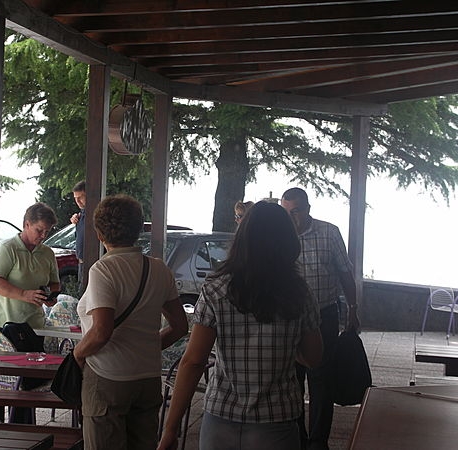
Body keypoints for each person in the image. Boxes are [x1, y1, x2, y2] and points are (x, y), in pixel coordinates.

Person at [158, 201, 323, 450]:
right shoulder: (300, 294)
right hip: (276, 421)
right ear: (288, 242)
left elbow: (193, 361)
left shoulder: (216, 288)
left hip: (221, 418)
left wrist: (171, 429)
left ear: (242, 239)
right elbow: (313, 357)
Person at [73, 194, 188, 450]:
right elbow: (180, 326)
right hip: (147, 377)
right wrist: (148, 346)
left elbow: (101, 331)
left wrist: (77, 355)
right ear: (138, 230)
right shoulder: (159, 269)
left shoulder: (103, 270)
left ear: (99, 234)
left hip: (107, 376)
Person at [280, 187, 360, 450]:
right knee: (291, 380)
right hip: (289, 318)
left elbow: (345, 273)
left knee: (321, 379)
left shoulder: (329, 233)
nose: (292, 218)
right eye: (286, 212)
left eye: (296, 212)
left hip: (324, 314)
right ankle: (298, 437)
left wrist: (352, 309)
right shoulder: (279, 236)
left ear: (308, 209)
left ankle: (317, 441)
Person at [0, 202, 61, 423]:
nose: (43, 236)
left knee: (28, 382)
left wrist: (50, 295)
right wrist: (24, 294)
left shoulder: (47, 253)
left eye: (47, 231)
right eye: (39, 230)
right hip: (0, 322)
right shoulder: (7, 249)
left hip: (32, 326)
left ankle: (23, 430)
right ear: (26, 224)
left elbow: (55, 283)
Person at [70, 180, 86, 287]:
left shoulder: (95, 214)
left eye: (80, 197)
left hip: (92, 262)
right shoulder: (80, 216)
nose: (78, 201)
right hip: (81, 262)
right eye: (75, 198)